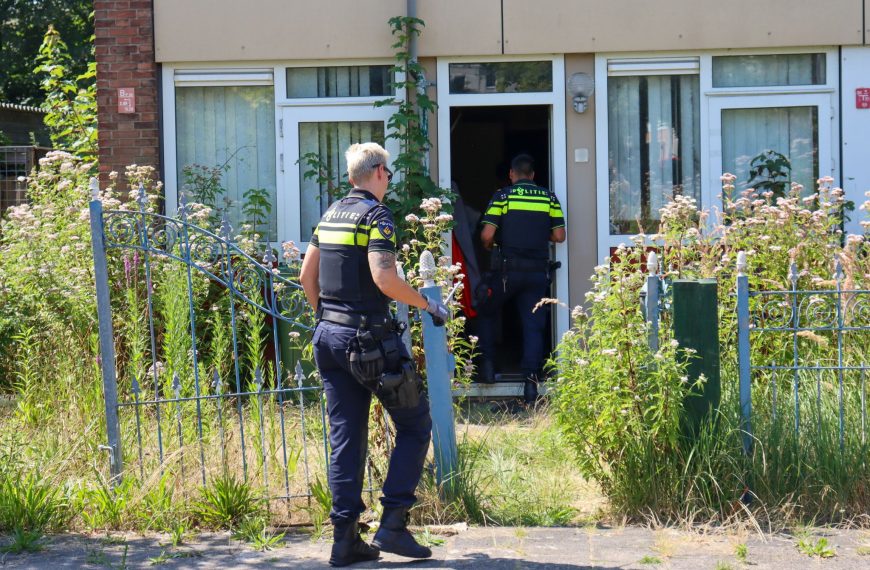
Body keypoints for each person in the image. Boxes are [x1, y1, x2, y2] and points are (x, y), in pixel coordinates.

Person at [299, 142, 449, 567]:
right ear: (380, 172)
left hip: (329, 337)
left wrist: (328, 320)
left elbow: (306, 276)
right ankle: (394, 525)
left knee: (345, 437)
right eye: (389, 172)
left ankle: (344, 540)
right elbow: (384, 278)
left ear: (352, 177)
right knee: (416, 424)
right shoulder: (376, 216)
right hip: (369, 342)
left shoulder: (330, 215)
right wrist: (427, 304)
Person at [477, 153, 566, 403]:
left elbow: (486, 235)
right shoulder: (549, 197)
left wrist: (491, 246)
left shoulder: (503, 196)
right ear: (533, 175)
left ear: (512, 174)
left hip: (508, 272)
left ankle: (487, 368)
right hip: (537, 272)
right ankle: (531, 386)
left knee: (486, 307)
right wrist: (538, 236)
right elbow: (559, 235)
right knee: (534, 327)